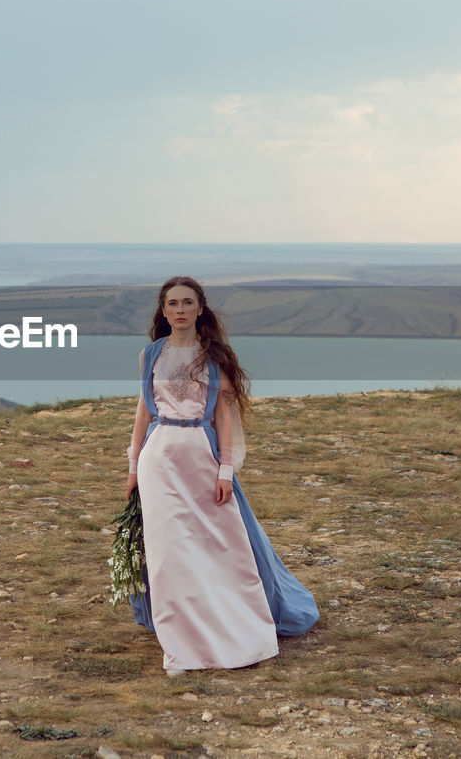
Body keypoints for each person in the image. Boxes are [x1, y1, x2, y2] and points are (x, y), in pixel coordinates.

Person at [126, 275, 319, 673]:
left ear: (200, 308)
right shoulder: (151, 355)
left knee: (217, 546)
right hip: (158, 458)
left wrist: (225, 471)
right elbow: (143, 412)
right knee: (168, 554)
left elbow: (224, 417)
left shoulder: (215, 357)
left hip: (200, 456)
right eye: (173, 304)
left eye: (187, 303)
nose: (180, 310)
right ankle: (179, 644)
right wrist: (132, 466)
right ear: (163, 311)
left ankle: (229, 625)